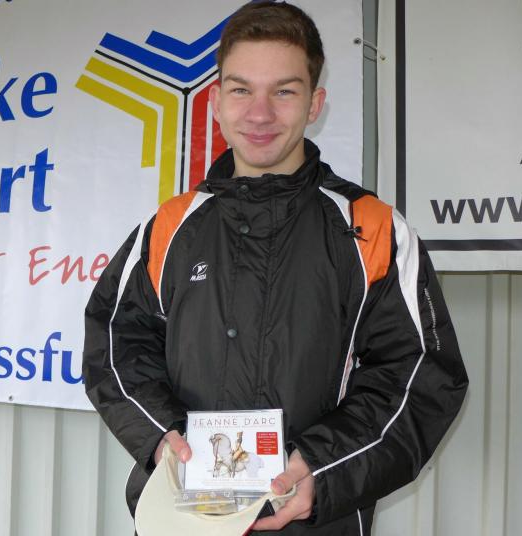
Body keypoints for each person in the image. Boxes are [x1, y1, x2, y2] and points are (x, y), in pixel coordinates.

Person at [82, 2, 468, 534]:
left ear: (315, 104)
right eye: (241, 90)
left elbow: (420, 376)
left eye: (284, 91)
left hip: (318, 523)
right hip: (182, 517)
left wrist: (324, 468)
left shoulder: (372, 228)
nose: (260, 114)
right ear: (217, 102)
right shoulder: (169, 226)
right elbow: (115, 345)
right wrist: (161, 435)